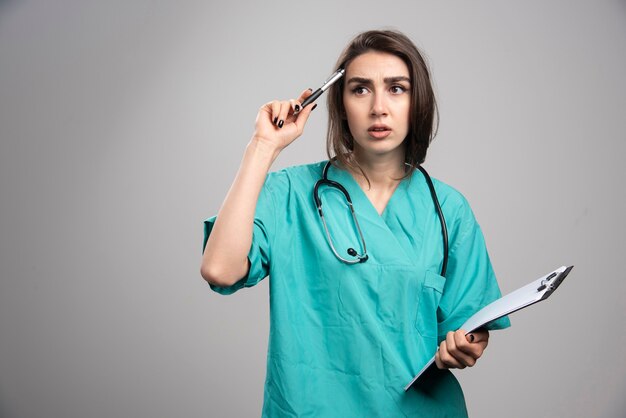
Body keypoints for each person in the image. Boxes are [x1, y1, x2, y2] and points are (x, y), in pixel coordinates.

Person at [201, 29, 510, 417]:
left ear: (418, 102)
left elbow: (470, 327)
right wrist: (263, 147)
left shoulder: (448, 209)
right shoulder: (291, 193)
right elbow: (219, 269)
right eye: (361, 89)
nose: (379, 107)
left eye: (396, 88)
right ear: (340, 103)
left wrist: (465, 345)